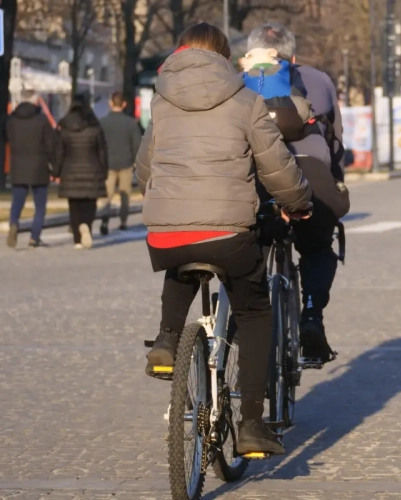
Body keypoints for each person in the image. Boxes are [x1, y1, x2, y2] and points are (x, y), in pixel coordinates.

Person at [137, 22, 312, 455]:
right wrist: (300, 201)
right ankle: (252, 422)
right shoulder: (245, 99)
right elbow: (276, 167)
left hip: (165, 231)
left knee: (180, 260)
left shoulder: (161, 102)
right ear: (224, 58)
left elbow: (144, 168)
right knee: (254, 313)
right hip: (228, 233)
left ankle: (165, 341)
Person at [245, 24, 349, 363]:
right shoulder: (318, 80)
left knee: (250, 247)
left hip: (256, 175)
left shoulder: (237, 83)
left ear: (251, 54)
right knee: (318, 247)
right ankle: (311, 315)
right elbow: (336, 141)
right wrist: (335, 182)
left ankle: (243, 322)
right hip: (310, 169)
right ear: (291, 56)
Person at [2, 89, 57, 248]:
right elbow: (50, 143)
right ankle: (34, 237)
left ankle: (14, 223)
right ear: (35, 102)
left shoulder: (11, 121)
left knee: (17, 201)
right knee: (40, 204)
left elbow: (7, 138)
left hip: (18, 166)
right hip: (39, 166)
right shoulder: (41, 120)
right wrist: (54, 165)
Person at [53, 94, 108, 249]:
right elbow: (102, 151)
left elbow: (59, 153)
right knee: (90, 203)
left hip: (70, 171)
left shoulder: (65, 128)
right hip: (92, 170)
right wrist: (104, 171)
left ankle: (77, 239)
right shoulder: (95, 126)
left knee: (74, 205)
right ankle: (86, 225)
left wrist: (56, 172)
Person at [98, 91, 142, 235]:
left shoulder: (102, 123)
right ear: (124, 104)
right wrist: (136, 162)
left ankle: (104, 218)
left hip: (108, 163)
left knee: (107, 193)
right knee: (125, 194)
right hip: (126, 162)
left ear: (111, 103)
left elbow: (98, 144)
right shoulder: (131, 123)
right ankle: (123, 221)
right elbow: (137, 145)